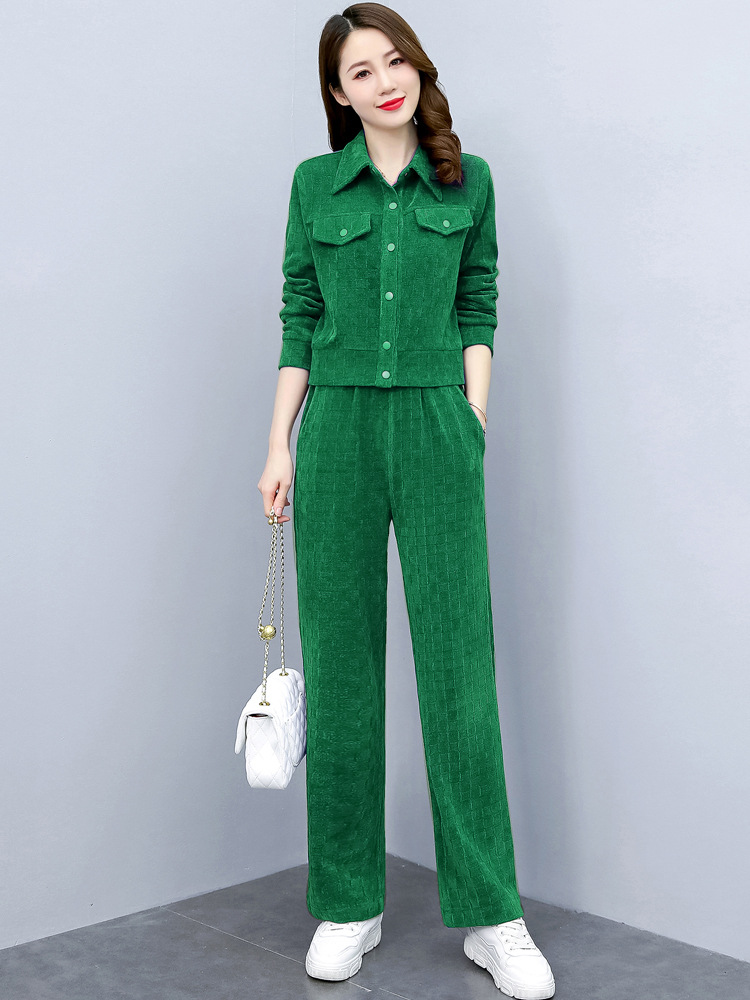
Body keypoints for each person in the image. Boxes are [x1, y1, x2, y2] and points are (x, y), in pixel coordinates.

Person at [257, 4, 556, 997]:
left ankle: (493, 914)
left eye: (396, 62)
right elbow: (300, 309)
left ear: (418, 70)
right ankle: (350, 901)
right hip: (337, 429)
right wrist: (278, 443)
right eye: (361, 71)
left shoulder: (469, 182)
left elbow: (479, 299)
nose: (385, 81)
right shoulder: (314, 185)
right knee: (342, 671)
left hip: (436, 424)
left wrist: (473, 415)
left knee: (460, 671)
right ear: (337, 93)